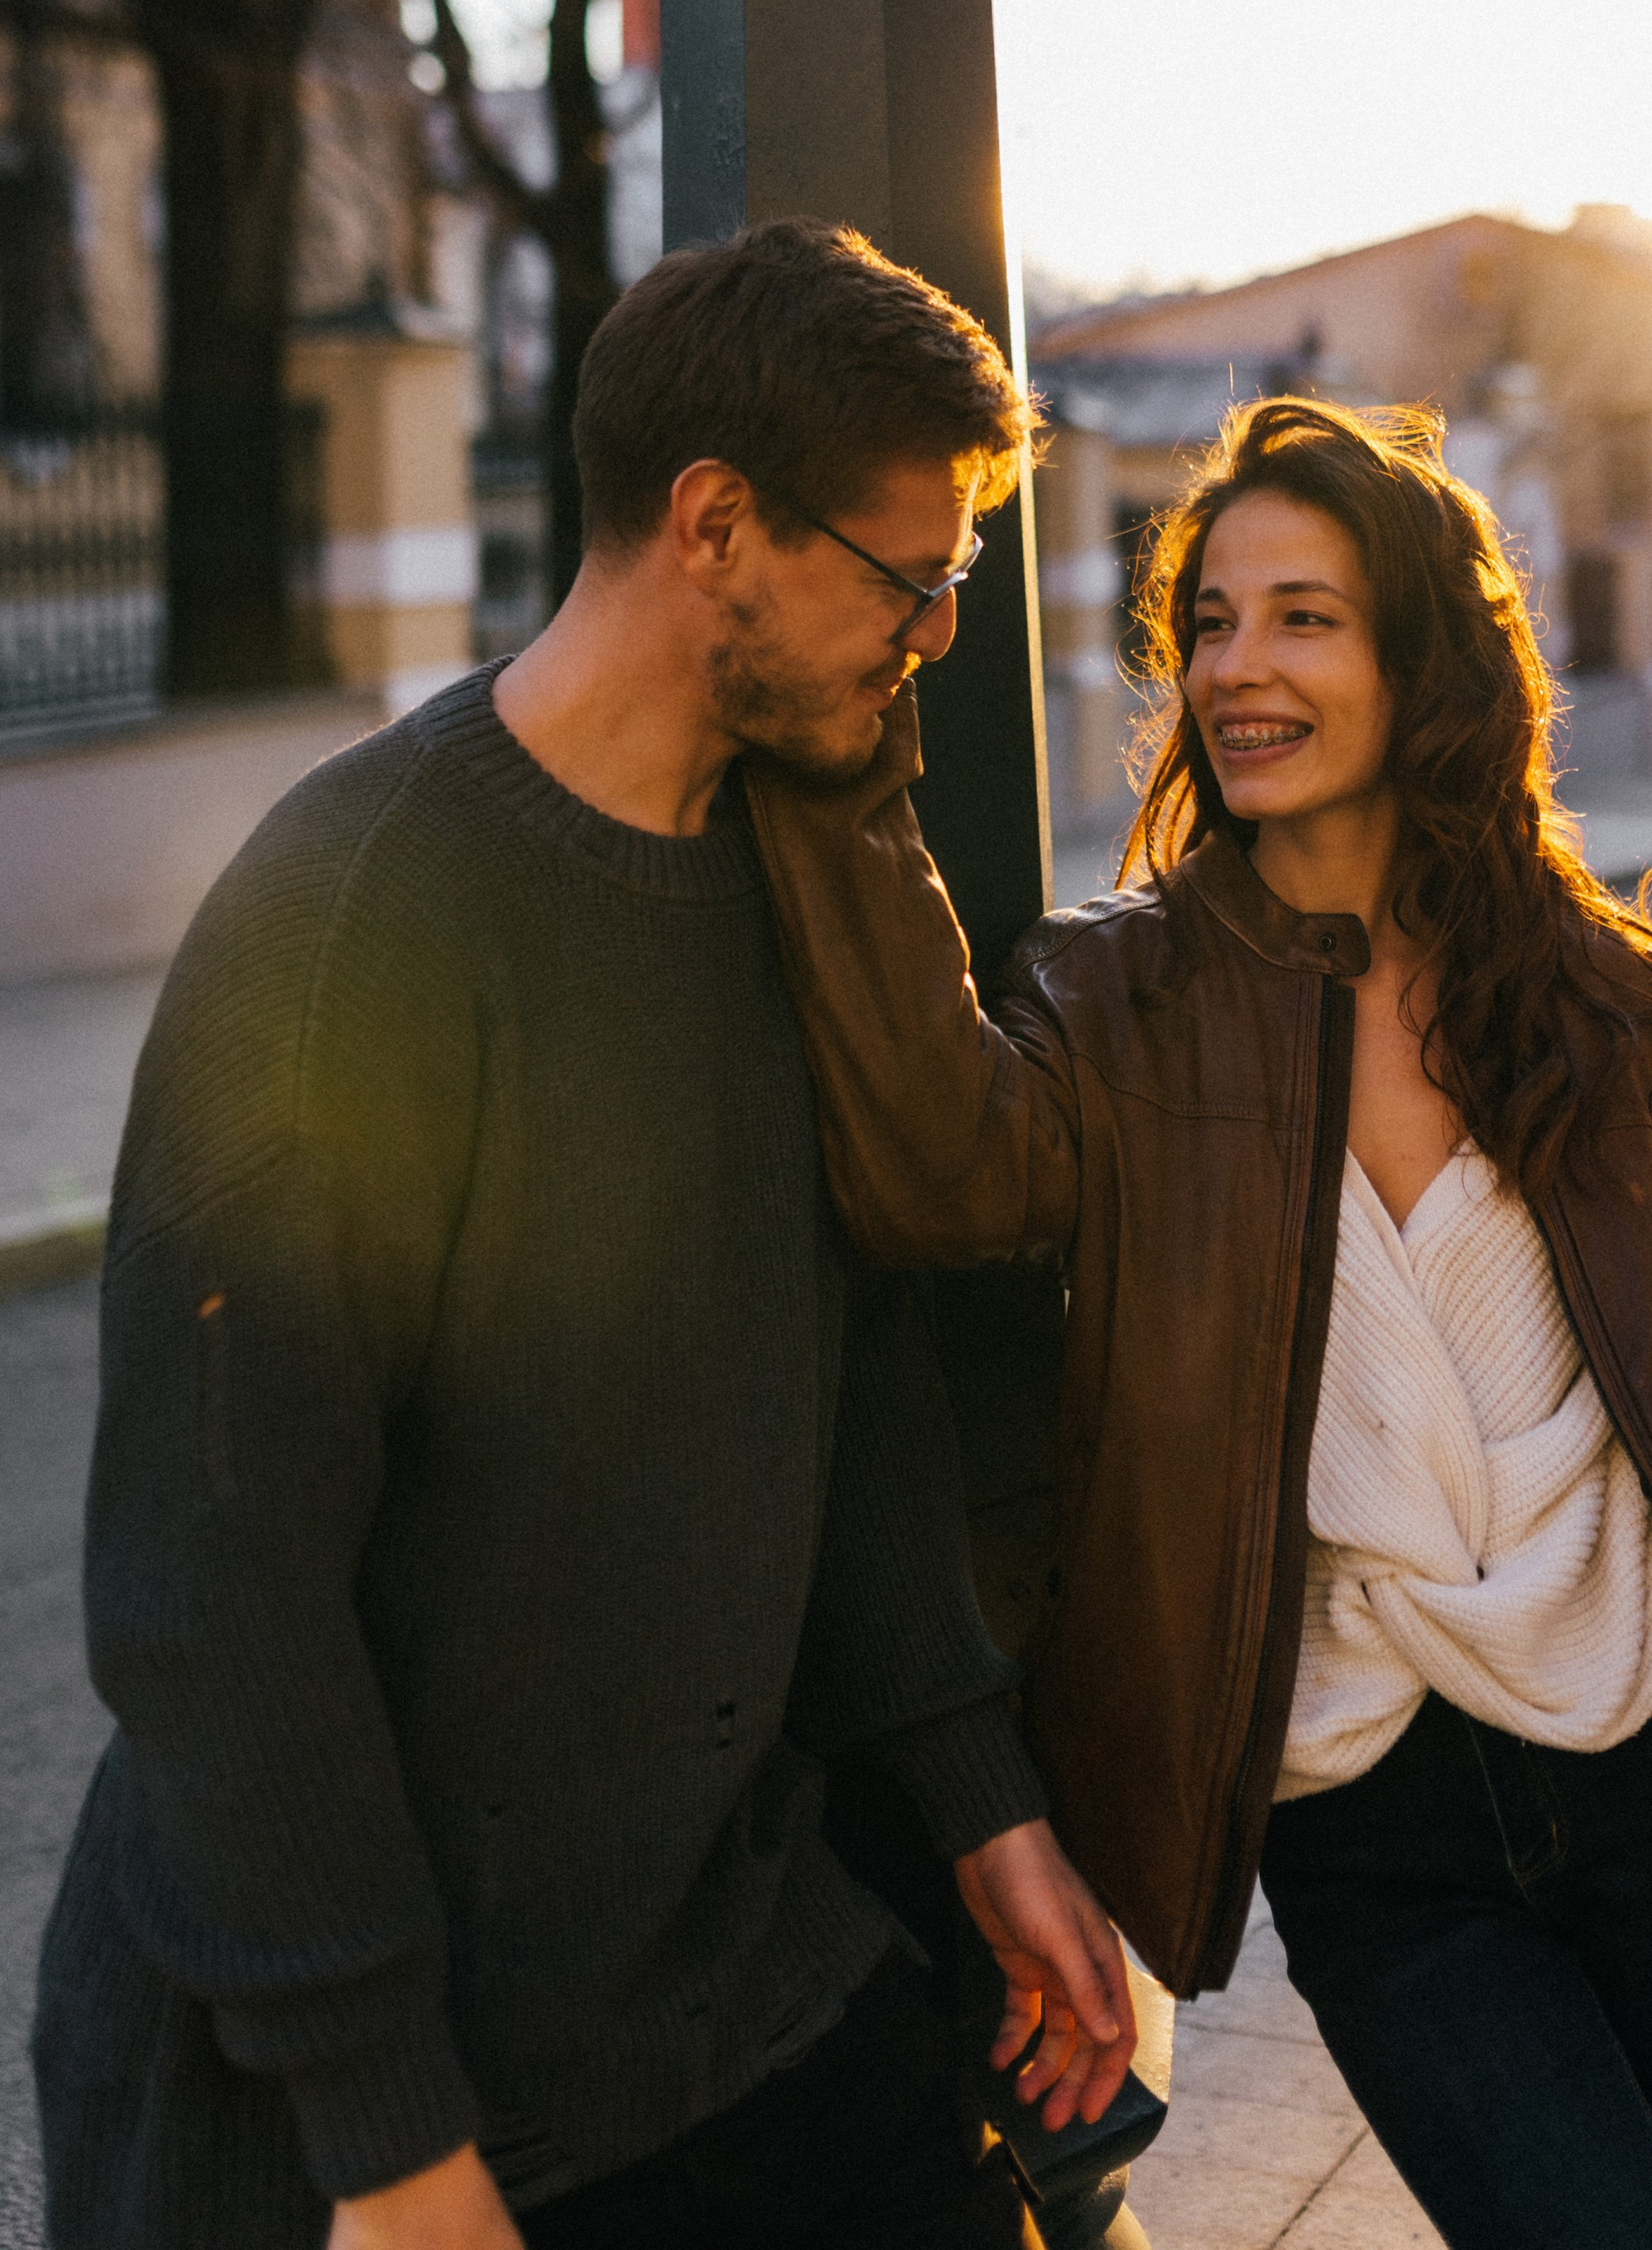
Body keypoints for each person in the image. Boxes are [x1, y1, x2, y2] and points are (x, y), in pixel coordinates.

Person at [36, 222, 1136, 2250]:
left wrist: (982, 1807)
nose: (935, 634)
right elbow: (212, 1591)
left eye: (961, 576)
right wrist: (391, 2143)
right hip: (363, 2097)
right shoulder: (350, 918)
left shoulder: (780, 881)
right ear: (715, 525)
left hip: (723, 1994)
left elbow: (840, 1399)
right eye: (905, 577)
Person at [744, 394, 1652, 2250]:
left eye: (1302, 616)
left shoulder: (1594, 986)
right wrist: (845, 762)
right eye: (1211, 622)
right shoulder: (1119, 1001)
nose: (1237, 667)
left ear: (1420, 657)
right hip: (1378, 1831)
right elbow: (931, 1173)